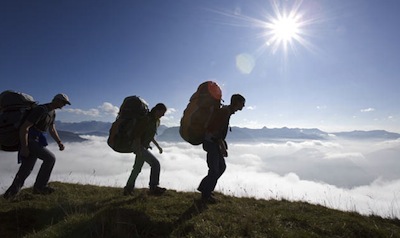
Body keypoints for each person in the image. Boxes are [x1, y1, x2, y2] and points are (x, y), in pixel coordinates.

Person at [3, 93, 71, 199]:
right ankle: (40, 187)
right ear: (57, 100)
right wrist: (25, 147)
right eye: (63, 103)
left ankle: (10, 194)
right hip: (30, 140)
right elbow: (24, 128)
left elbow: (52, 129)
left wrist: (59, 142)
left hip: (37, 141)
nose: (64, 105)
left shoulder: (52, 112)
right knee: (50, 159)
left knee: (26, 168)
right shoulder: (40, 110)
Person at [198, 94, 245, 203]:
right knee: (214, 170)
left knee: (221, 167)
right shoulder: (225, 112)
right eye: (242, 103)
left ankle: (205, 188)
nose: (243, 106)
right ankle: (206, 195)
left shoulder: (226, 111)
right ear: (237, 102)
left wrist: (222, 144)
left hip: (213, 142)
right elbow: (215, 131)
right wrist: (222, 146)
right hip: (211, 142)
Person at [123, 103, 167, 196]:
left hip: (142, 147)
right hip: (138, 146)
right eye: (162, 113)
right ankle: (153, 188)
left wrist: (158, 146)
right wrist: (139, 150)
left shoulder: (154, 121)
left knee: (137, 169)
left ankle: (128, 189)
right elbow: (137, 135)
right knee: (155, 164)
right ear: (157, 110)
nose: (163, 115)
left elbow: (150, 136)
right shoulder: (146, 119)